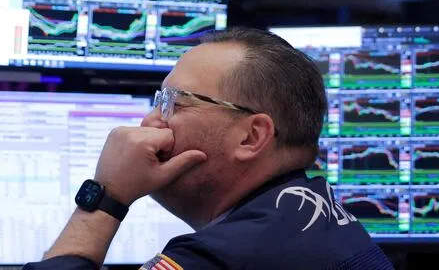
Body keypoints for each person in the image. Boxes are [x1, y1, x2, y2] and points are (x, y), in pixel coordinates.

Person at [25, 27, 393, 270]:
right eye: (158, 101)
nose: (149, 122)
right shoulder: (321, 218)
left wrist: (105, 199)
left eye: (175, 103)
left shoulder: (221, 257)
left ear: (252, 136)